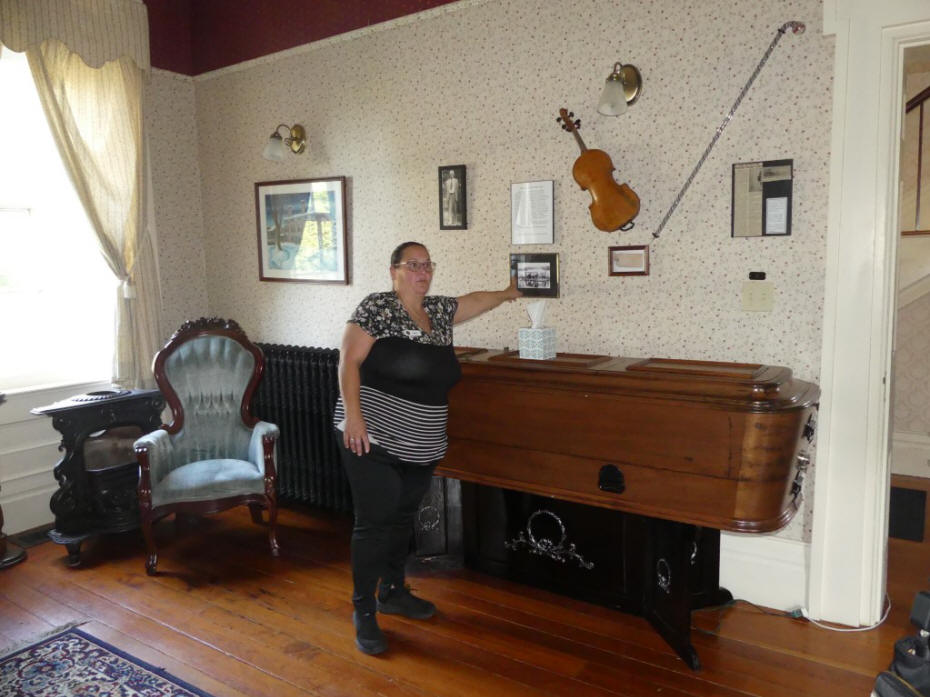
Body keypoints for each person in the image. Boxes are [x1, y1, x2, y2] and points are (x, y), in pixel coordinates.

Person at [333, 240, 521, 655]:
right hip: (371, 436)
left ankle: (393, 592)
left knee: (402, 519)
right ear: (394, 271)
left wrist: (508, 293)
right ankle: (363, 610)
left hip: (422, 443)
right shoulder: (377, 308)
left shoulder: (437, 312)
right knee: (375, 522)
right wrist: (353, 415)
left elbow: (472, 301)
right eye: (413, 265)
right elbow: (348, 361)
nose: (423, 271)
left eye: (428, 265)